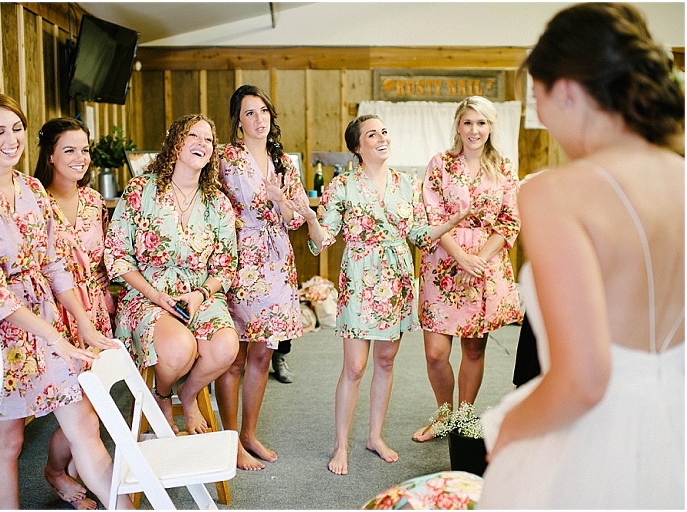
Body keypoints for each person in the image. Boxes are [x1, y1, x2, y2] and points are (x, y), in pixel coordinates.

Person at [478, 3, 684, 508]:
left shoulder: (555, 193)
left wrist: (509, 431)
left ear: (566, 89)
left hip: (599, 437)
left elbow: (585, 380)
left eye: (538, 97)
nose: (542, 117)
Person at [0, 93, 132, 509]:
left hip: (47, 321)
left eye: (17, 129)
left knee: (83, 422)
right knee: (8, 440)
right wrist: (56, 338)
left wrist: (81, 323)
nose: (11, 140)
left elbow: (56, 264)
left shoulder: (31, 189)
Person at [289, 114, 469, 475]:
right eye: (373, 134)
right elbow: (324, 240)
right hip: (360, 277)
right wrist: (311, 220)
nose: (382, 138)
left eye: (384, 131)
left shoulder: (407, 183)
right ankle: (341, 445)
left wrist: (450, 222)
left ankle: (375, 435)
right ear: (358, 147)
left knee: (386, 362)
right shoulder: (342, 187)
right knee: (354, 367)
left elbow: (418, 234)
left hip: (397, 278)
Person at [104, 114, 239, 437]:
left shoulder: (217, 202)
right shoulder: (141, 190)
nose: (202, 144)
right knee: (180, 348)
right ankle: (162, 395)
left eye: (208, 139)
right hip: (146, 295)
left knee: (226, 348)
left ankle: (188, 394)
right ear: (175, 143)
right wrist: (157, 297)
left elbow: (225, 265)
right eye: (193, 135)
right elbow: (118, 256)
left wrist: (199, 295)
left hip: (197, 295)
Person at [412, 96, 522, 443]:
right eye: (468, 122)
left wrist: (478, 261)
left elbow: (509, 220)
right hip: (444, 263)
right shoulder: (440, 164)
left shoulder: (503, 167)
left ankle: (464, 416)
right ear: (458, 126)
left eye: (482, 123)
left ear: (490, 127)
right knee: (436, 353)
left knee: (474, 349)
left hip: (484, 267)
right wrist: (460, 255)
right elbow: (430, 215)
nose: (475, 130)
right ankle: (444, 415)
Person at [216, 84, 307, 470]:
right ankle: (230, 439)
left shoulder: (285, 161)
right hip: (239, 259)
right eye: (249, 112)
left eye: (264, 111)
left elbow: (299, 217)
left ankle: (250, 434)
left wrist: (281, 203)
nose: (259, 119)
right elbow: (213, 205)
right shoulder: (225, 158)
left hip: (277, 261)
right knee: (233, 357)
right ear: (238, 120)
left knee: (263, 353)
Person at [34, 117, 116, 510]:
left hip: (96, 309)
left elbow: (104, 260)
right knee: (78, 409)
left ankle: (68, 471)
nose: (81, 158)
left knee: (95, 404)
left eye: (85, 149)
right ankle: (58, 472)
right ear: (49, 155)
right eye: (69, 150)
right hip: (57, 316)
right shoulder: (35, 203)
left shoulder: (94, 201)